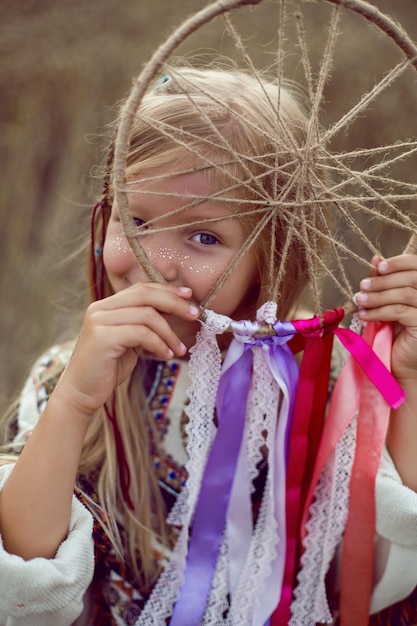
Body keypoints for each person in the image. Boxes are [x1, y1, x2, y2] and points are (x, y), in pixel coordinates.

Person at [0, 65, 416, 626]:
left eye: (202, 236)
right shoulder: (65, 375)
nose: (151, 261)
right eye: (137, 219)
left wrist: (408, 384)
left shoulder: (337, 378)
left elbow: (381, 574)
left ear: (275, 256)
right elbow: (25, 590)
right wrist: (74, 403)